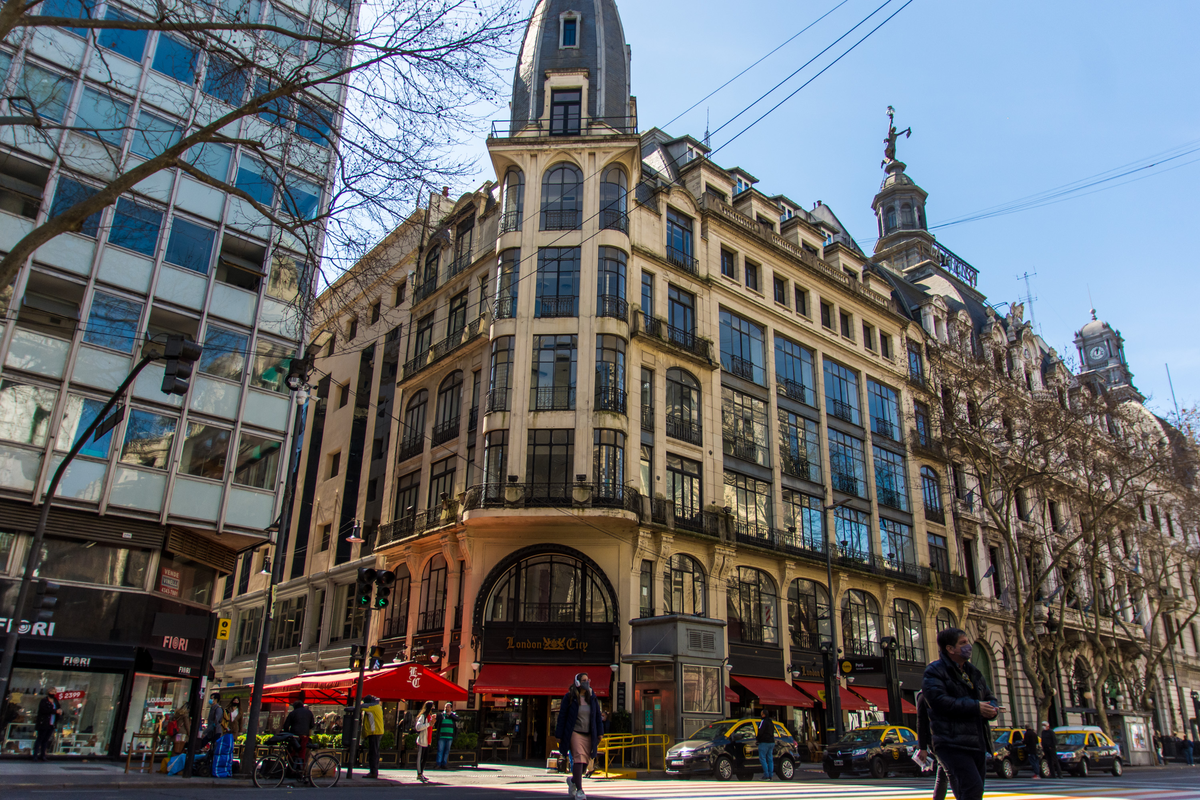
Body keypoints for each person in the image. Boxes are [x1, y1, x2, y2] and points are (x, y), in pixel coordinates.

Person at [921, 627, 1000, 800]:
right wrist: (976, 707)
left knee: (972, 791)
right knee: (972, 789)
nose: (968, 646)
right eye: (963, 643)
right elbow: (939, 702)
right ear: (950, 649)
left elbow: (989, 696)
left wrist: (992, 709)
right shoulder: (935, 671)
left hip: (976, 742)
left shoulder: (974, 673)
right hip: (952, 743)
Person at [554, 672, 603, 800]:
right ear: (577, 683)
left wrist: (600, 733)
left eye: (588, 680)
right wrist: (559, 735)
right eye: (584, 680)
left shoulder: (592, 697)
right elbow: (562, 716)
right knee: (578, 759)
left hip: (588, 733)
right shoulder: (570, 697)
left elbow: (597, 715)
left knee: (584, 764)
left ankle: (573, 781)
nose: (587, 682)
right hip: (574, 732)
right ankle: (580, 790)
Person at [915, 691, 949, 800]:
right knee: (946, 773)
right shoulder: (924, 696)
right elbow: (921, 723)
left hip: (948, 738)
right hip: (937, 741)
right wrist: (923, 748)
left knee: (944, 773)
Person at [282, 697, 316, 763]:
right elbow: (312, 725)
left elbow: (286, 726)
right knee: (302, 752)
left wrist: (287, 733)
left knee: (292, 752)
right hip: (304, 736)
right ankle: (301, 769)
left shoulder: (293, 713)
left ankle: (291, 768)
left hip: (294, 736)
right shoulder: (309, 713)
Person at [361, 696, 385, 779]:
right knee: (374, 752)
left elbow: (360, 707)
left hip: (375, 732)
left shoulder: (372, 707)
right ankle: (374, 771)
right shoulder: (377, 706)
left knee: (373, 753)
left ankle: (373, 772)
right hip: (377, 732)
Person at [33, 689, 60, 761]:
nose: (53, 693)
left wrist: (60, 712)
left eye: (54, 692)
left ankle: (43, 755)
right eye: (51, 691)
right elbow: (43, 710)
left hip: (52, 723)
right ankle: (35, 755)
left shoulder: (56, 701)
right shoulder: (44, 701)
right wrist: (54, 711)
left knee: (46, 740)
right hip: (44, 723)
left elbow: (59, 708)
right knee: (40, 739)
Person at [414, 701, 434, 783]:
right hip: (422, 740)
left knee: (424, 758)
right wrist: (428, 724)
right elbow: (418, 727)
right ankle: (419, 774)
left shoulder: (429, 716)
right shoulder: (423, 716)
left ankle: (421, 773)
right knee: (420, 757)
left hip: (427, 740)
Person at [434, 702, 458, 769]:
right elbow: (436, 723)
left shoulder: (453, 715)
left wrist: (450, 715)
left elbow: (457, 719)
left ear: (451, 708)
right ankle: (438, 763)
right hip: (442, 736)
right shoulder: (441, 715)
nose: (447, 708)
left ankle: (444, 763)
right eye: (445, 707)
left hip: (450, 736)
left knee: (447, 750)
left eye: (448, 707)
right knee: (440, 750)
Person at [756, 708, 776, 781]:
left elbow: (760, 731)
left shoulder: (762, 721)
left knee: (762, 758)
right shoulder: (771, 722)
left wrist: (757, 739)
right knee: (770, 758)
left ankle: (766, 775)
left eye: (761, 713)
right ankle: (770, 775)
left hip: (764, 742)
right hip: (771, 741)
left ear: (763, 714)